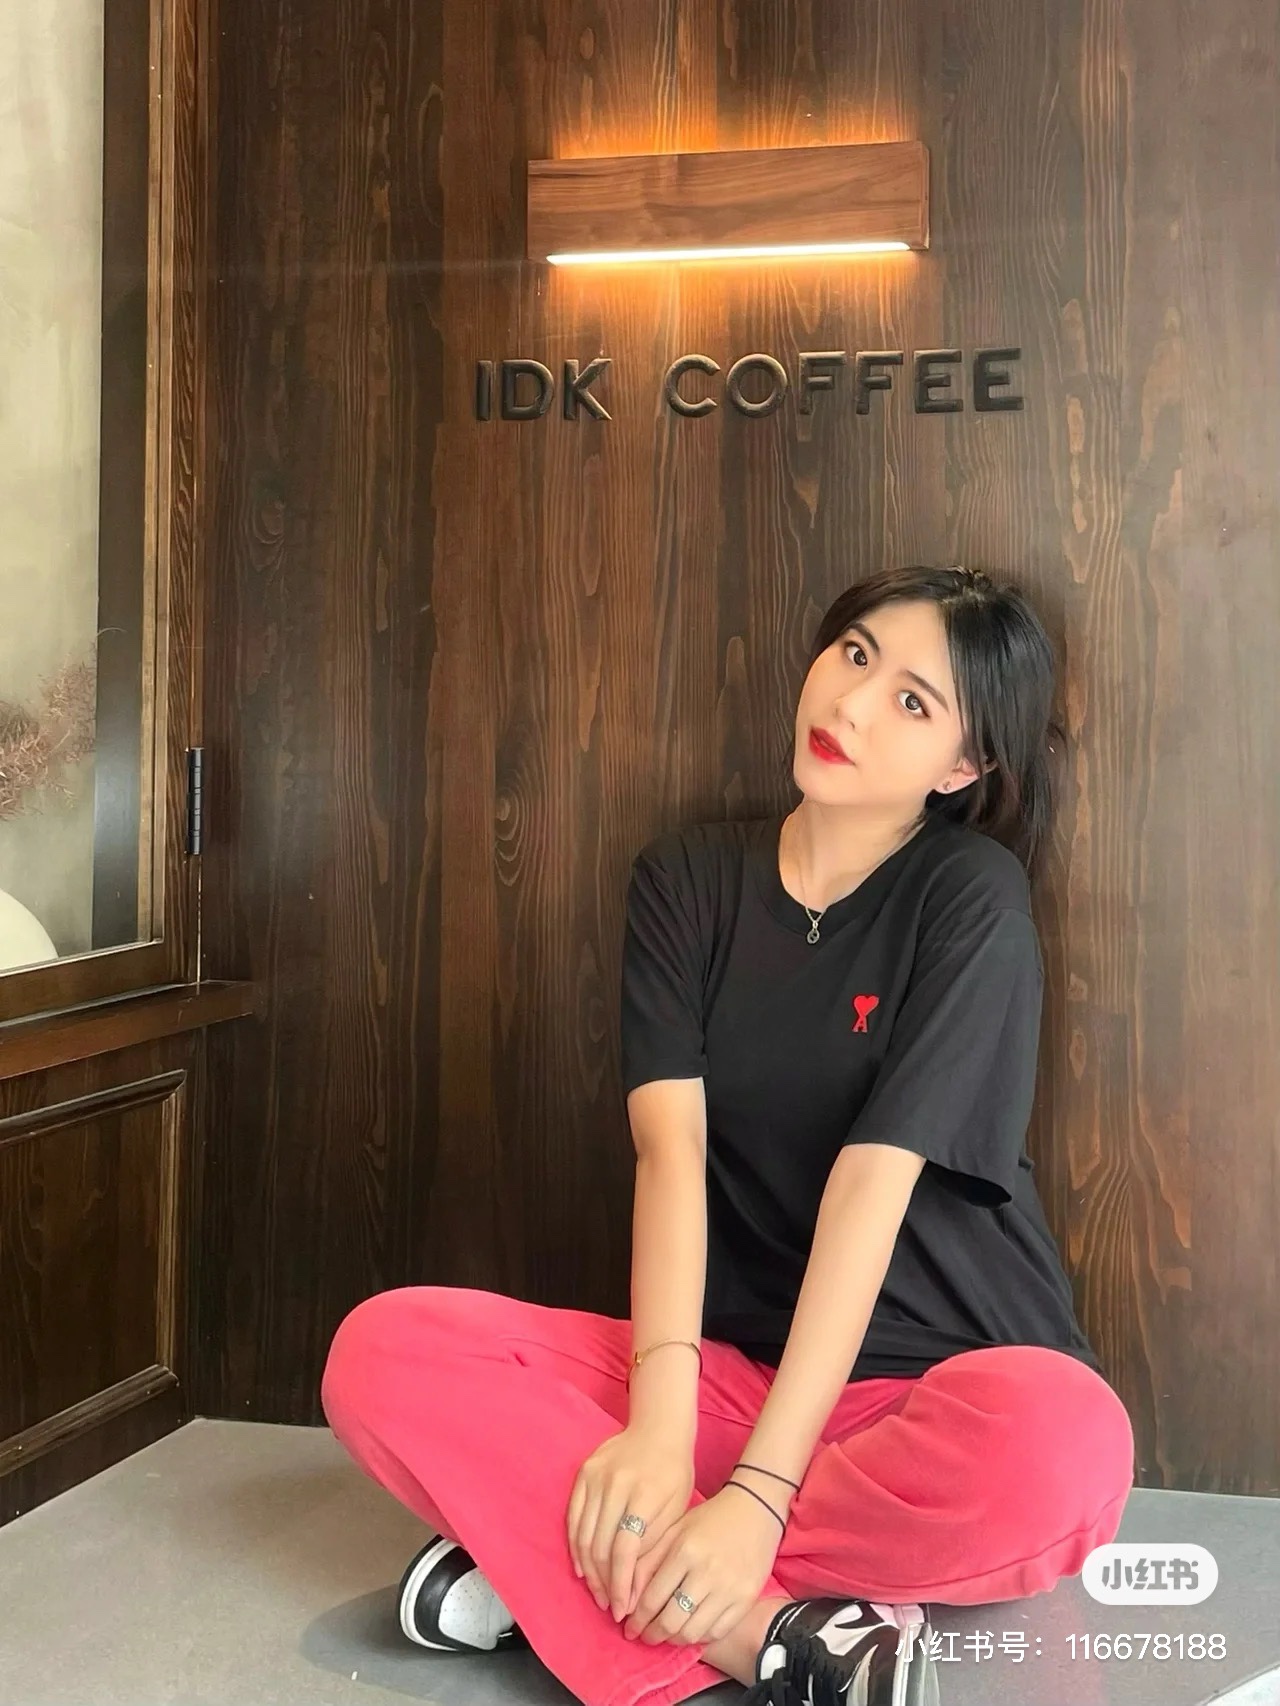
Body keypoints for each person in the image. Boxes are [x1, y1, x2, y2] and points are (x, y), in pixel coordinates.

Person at [321, 564, 1136, 1706]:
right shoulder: (687, 878)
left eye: (911, 700)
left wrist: (757, 1496)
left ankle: (560, 1566)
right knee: (384, 1350)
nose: (851, 703)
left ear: (961, 767)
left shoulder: (969, 894)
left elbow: (870, 1188)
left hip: (929, 1394)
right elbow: (671, 1154)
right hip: (731, 1376)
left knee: (1071, 1447)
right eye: (854, 654)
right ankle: (764, 1633)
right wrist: (660, 1431)